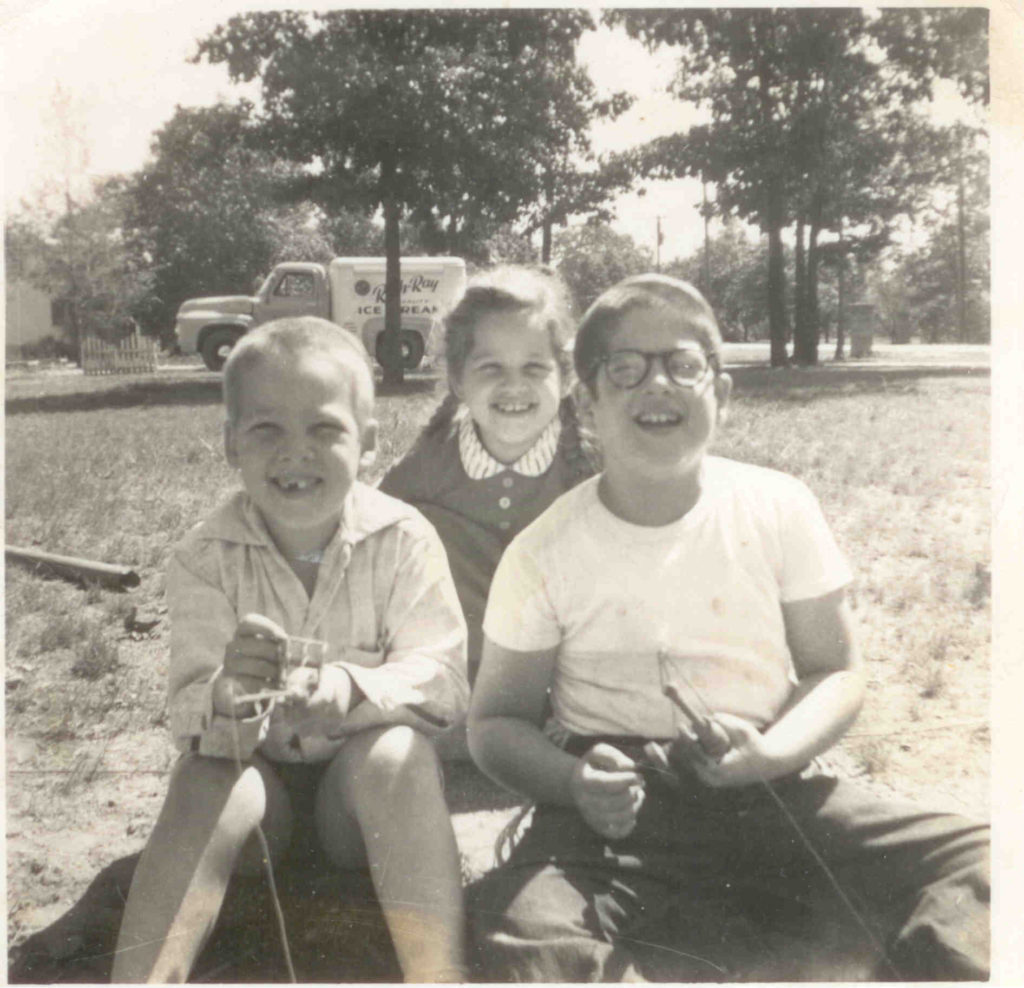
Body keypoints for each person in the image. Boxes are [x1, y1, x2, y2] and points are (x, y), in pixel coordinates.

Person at [466, 274, 990, 982]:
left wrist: (771, 752)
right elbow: (495, 723)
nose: (658, 385)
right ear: (585, 402)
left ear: (723, 393)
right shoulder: (543, 549)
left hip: (768, 788)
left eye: (683, 365)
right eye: (625, 369)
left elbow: (836, 670)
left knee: (984, 860)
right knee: (515, 922)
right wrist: (572, 780)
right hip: (611, 814)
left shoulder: (777, 507)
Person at [112, 317, 469, 983]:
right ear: (229, 444)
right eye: (266, 430)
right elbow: (189, 712)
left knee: (398, 752)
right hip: (258, 816)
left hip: (359, 816)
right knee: (205, 773)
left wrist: (351, 690)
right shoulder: (203, 558)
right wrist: (225, 693)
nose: (294, 453)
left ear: (368, 442)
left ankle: (439, 975)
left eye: (324, 429)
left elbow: (444, 680)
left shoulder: (405, 540)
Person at [379, 265, 596, 755]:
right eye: (490, 368)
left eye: (534, 368)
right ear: (457, 379)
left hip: (568, 671)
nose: (513, 386)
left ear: (564, 379)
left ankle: (561, 723)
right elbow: (362, 532)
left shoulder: (589, 465)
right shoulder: (426, 466)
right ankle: (483, 727)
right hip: (468, 670)